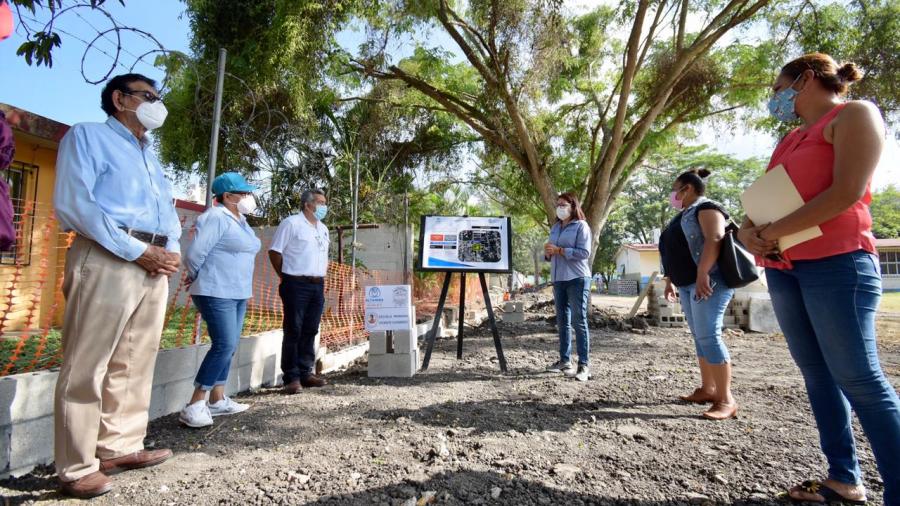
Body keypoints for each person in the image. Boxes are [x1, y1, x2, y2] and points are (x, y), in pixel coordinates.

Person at [739, 53, 899, 505]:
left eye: (778, 89)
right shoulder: (790, 139)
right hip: (785, 269)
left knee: (860, 378)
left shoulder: (853, 115)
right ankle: (843, 478)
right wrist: (748, 233)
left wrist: (771, 232)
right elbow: (765, 197)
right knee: (817, 374)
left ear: (805, 79)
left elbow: (846, 192)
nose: (775, 98)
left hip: (838, 264)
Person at [52, 73, 181, 498]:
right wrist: (137, 251)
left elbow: (167, 212)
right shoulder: (87, 137)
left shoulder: (150, 156)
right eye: (148, 96)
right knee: (87, 364)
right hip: (108, 255)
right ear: (119, 99)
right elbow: (77, 203)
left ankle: (119, 447)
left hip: (153, 264)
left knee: (135, 359)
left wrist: (171, 250)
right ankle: (76, 466)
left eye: (158, 97)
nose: (156, 104)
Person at [178, 172, 262, 428]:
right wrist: (195, 275)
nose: (248, 197)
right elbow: (194, 253)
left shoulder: (241, 221)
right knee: (224, 345)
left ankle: (217, 400)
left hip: (238, 291)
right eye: (243, 193)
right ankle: (195, 404)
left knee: (230, 345)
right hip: (215, 290)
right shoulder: (216, 217)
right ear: (227, 196)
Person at [658, 169, 737, 420]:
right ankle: (708, 389)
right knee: (700, 337)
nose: (673, 194)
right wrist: (670, 281)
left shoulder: (707, 208)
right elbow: (673, 252)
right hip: (687, 284)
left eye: (675, 189)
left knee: (709, 336)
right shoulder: (682, 216)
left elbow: (715, 238)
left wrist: (703, 272)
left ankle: (725, 399)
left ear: (687, 189)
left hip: (709, 282)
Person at [268, 189, 330, 393]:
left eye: (324, 203)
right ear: (307, 204)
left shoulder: (323, 228)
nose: (324, 206)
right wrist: (285, 275)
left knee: (311, 328)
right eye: (320, 202)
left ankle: (305, 372)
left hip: (317, 284)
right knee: (294, 329)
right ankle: (291, 377)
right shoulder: (291, 223)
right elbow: (275, 252)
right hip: (295, 283)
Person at [544, 192, 592, 382]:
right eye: (558, 205)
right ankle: (565, 361)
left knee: (578, 321)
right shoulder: (555, 227)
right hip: (558, 279)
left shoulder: (581, 226)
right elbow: (550, 252)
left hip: (577, 278)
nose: (560, 208)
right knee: (562, 321)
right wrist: (548, 253)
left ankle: (583, 365)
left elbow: (584, 252)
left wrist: (561, 250)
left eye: (563, 205)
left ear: (573, 206)